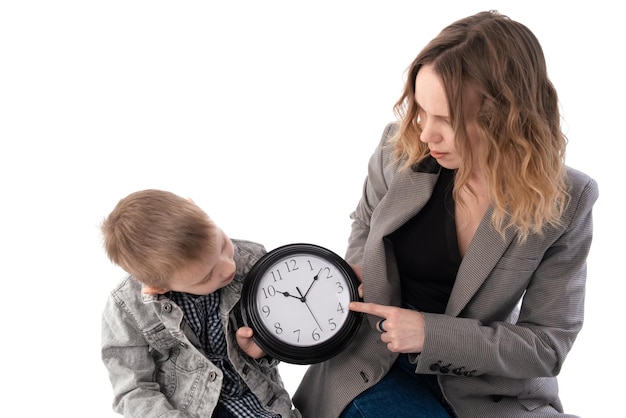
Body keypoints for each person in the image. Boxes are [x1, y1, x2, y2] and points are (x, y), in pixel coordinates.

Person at [293, 10, 599, 418]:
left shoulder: (568, 199)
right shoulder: (397, 150)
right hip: (374, 369)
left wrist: (431, 335)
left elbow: (547, 346)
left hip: (488, 391)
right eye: (420, 110)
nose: (424, 133)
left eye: (447, 120)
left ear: (506, 119)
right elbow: (366, 223)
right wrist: (356, 269)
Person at [100, 189, 301, 418]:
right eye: (206, 277)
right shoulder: (127, 307)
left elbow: (290, 324)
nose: (229, 267)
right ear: (159, 287)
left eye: (223, 245)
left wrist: (265, 348)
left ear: (195, 206)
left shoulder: (254, 261)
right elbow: (133, 391)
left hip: (261, 404)